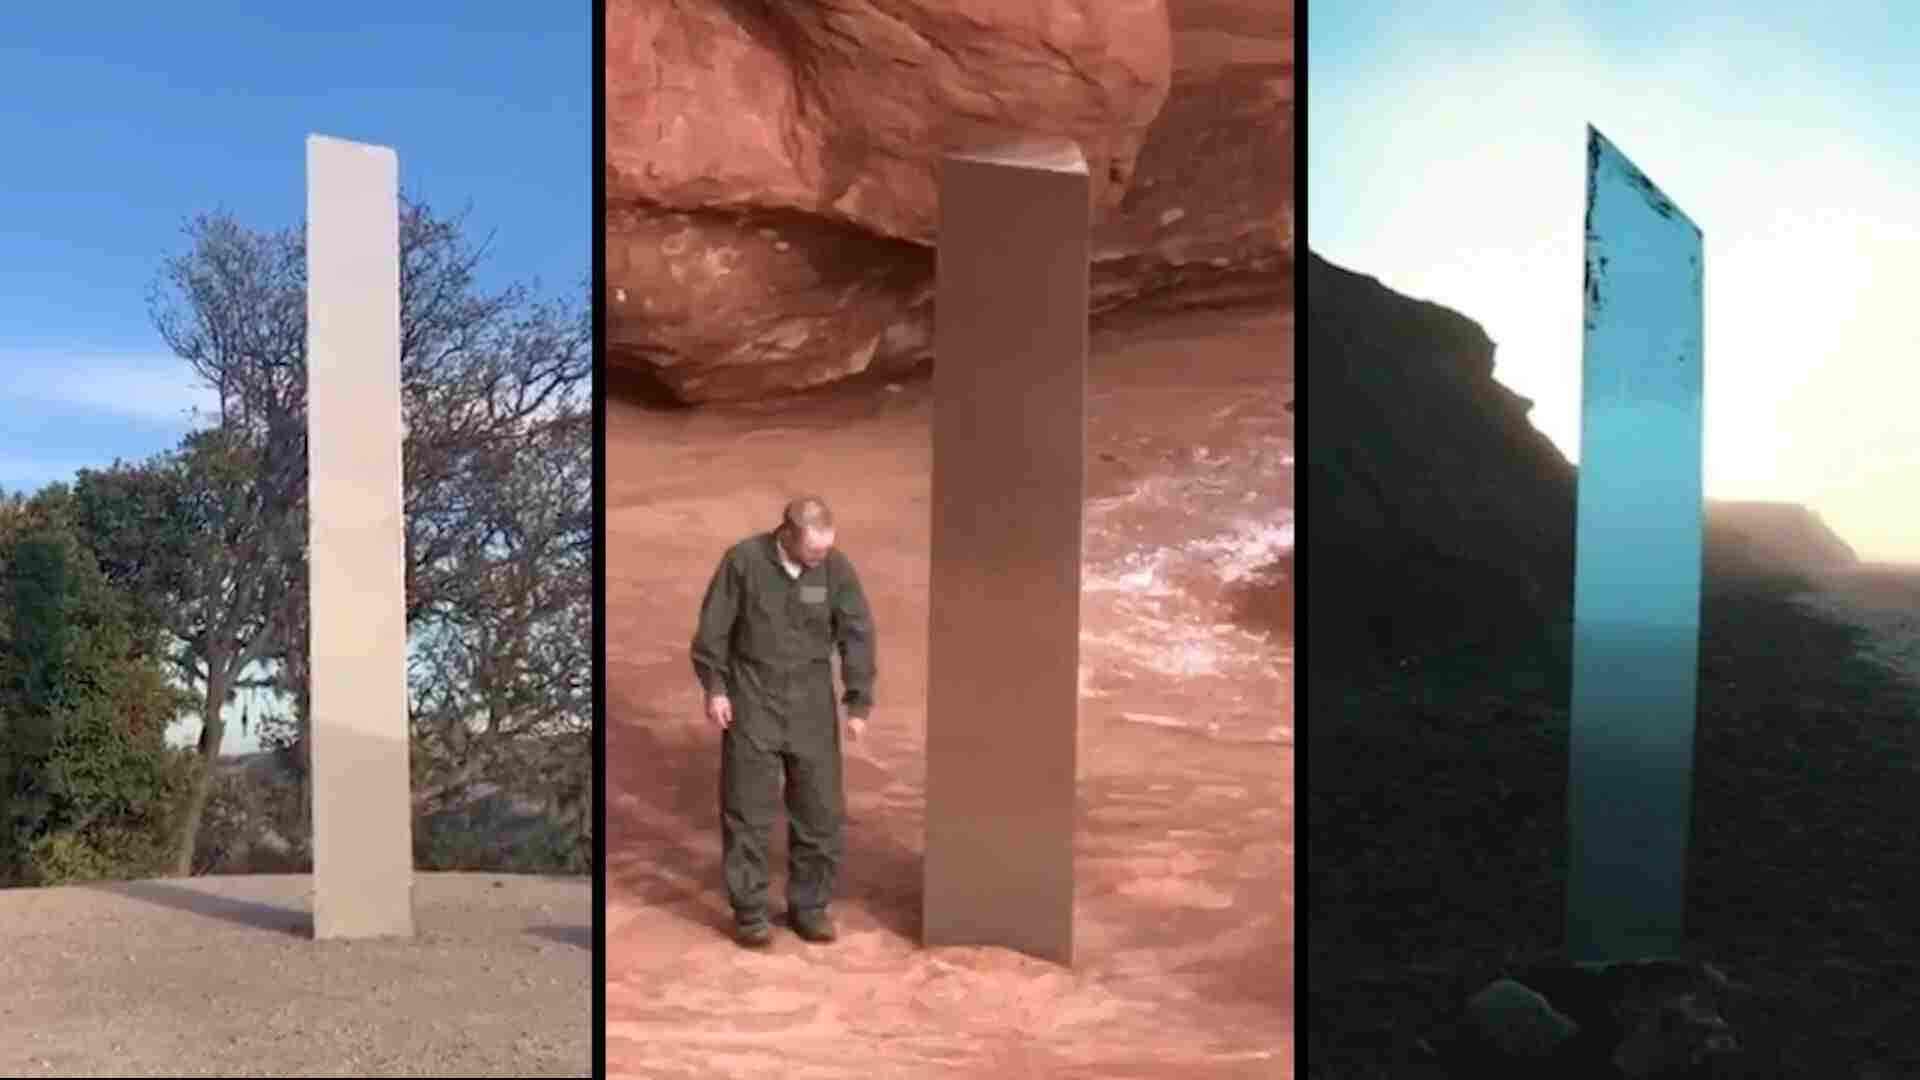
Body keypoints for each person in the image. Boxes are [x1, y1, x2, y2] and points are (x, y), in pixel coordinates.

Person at [691, 496, 876, 947]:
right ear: (787, 534)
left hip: (811, 700)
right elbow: (713, 630)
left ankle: (809, 908)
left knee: (819, 811)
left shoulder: (834, 570)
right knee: (747, 810)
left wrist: (857, 702)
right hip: (753, 696)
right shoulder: (743, 563)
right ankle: (750, 912)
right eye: (813, 551)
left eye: (825, 550)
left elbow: (856, 633)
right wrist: (715, 687)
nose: (820, 558)